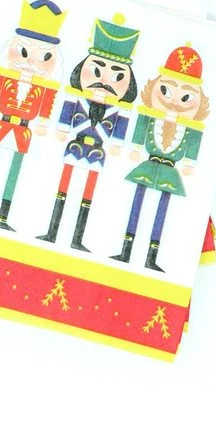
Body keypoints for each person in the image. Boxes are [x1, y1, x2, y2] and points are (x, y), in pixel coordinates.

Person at [36, 14, 139, 252]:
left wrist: (117, 143)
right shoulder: (76, 99)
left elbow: (119, 132)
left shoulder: (119, 110)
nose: (104, 82)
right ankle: (52, 232)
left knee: (87, 195)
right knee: (63, 188)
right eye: (96, 71)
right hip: (75, 144)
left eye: (117, 76)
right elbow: (65, 117)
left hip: (97, 152)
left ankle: (77, 238)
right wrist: (63, 128)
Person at [0, 0, 66, 231]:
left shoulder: (44, 86)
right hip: (2, 124)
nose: (30, 63)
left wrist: (44, 121)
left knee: (13, 172)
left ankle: (3, 216)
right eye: (24, 52)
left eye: (44, 57)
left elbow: (47, 100)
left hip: (24, 129)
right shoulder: (6, 76)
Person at [110, 44, 210, 272]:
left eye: (186, 97)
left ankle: (151, 255)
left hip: (170, 169)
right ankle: (126, 249)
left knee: (162, 210)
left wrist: (189, 162)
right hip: (148, 164)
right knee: (137, 202)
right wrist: (136, 146)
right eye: (165, 91)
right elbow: (140, 127)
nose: (173, 103)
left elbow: (193, 143)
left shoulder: (192, 127)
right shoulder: (150, 115)